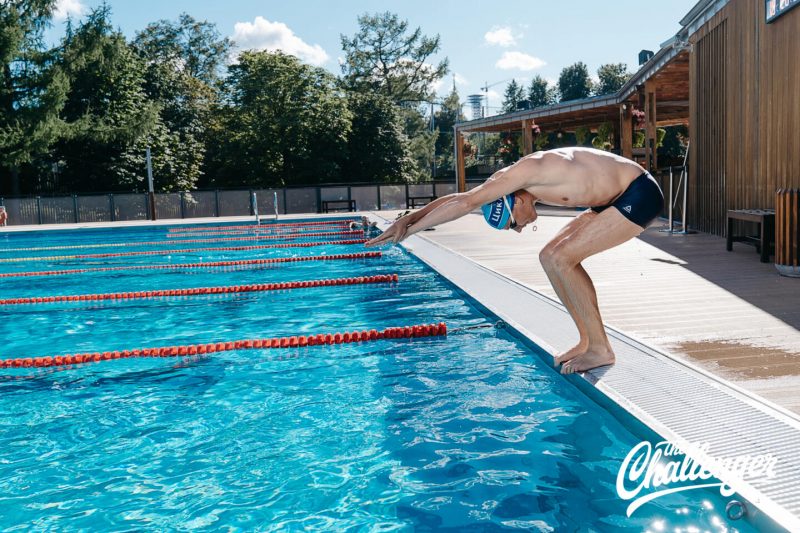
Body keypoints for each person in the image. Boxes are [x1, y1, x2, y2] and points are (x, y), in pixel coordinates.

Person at [366, 147, 664, 375]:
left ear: (516, 201)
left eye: (512, 224)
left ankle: (601, 348)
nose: (519, 229)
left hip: (638, 192)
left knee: (562, 257)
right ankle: (588, 342)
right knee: (549, 257)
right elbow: (461, 196)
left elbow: (467, 204)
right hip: (608, 200)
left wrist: (410, 233)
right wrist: (408, 219)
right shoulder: (507, 182)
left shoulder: (527, 172)